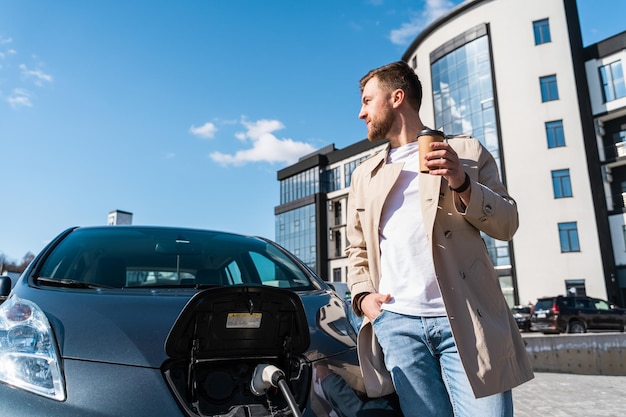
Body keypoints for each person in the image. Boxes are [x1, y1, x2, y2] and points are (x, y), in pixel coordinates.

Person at [346, 61, 534, 416]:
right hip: (398, 325)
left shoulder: (466, 152)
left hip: (467, 320)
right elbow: (356, 249)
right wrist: (363, 298)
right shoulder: (363, 175)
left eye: (368, 101)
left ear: (397, 97)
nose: (361, 113)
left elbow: (507, 224)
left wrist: (463, 182)